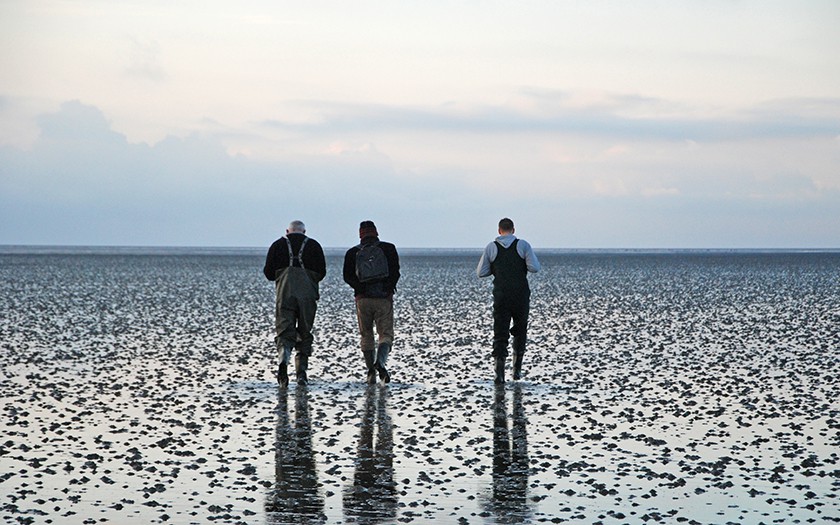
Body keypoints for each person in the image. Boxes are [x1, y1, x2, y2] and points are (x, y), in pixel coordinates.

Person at [477, 218, 540, 384]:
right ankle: (517, 370)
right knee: (520, 330)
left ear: (499, 230)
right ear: (513, 229)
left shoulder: (491, 247)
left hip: (501, 295)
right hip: (520, 294)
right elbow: (535, 268)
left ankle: (499, 374)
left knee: (500, 333)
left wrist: (496, 268)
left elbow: (481, 272)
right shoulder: (523, 245)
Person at [264, 220, 326, 387]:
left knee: (284, 330)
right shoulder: (314, 246)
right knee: (305, 332)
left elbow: (268, 273)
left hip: (285, 294)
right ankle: (301, 374)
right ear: (304, 232)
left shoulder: (277, 245)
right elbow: (322, 272)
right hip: (307, 296)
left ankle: (283, 360)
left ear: (287, 231)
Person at [343, 220, 401, 385]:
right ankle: (380, 363)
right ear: (376, 232)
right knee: (386, 335)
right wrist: (388, 290)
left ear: (360, 234)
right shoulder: (388, 248)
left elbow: (347, 277)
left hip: (363, 300)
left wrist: (361, 290)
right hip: (384, 299)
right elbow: (395, 272)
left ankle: (370, 372)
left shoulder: (352, 253)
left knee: (366, 335)